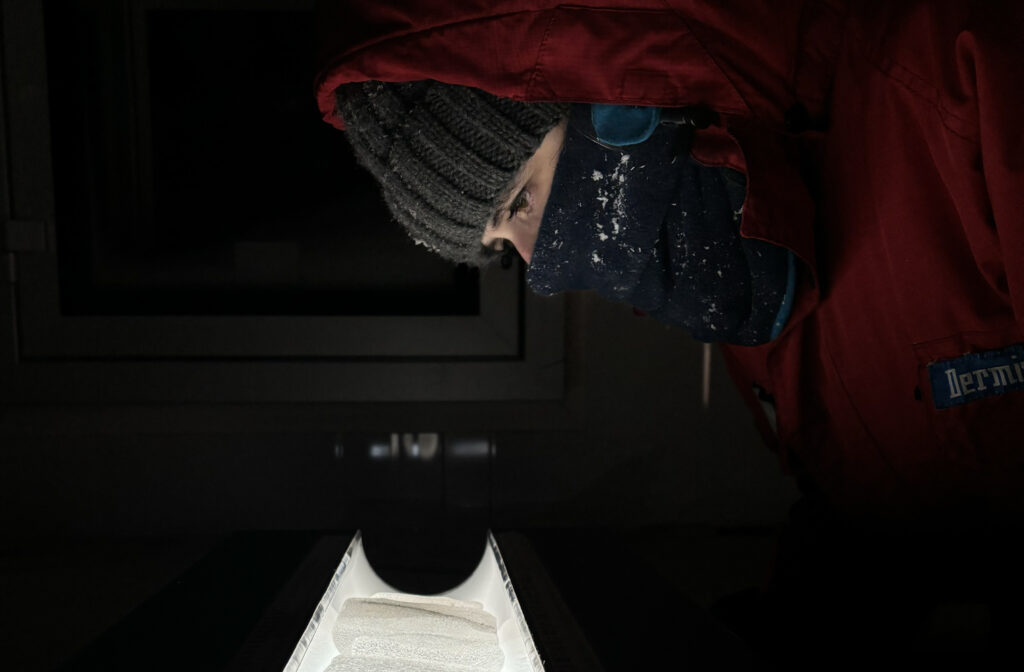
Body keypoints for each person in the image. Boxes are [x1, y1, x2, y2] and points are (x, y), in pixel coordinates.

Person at [313, 0, 1024, 527]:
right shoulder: (745, 248)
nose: (539, 267)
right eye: (503, 253)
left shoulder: (962, 72)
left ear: (600, 92)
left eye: (519, 201)